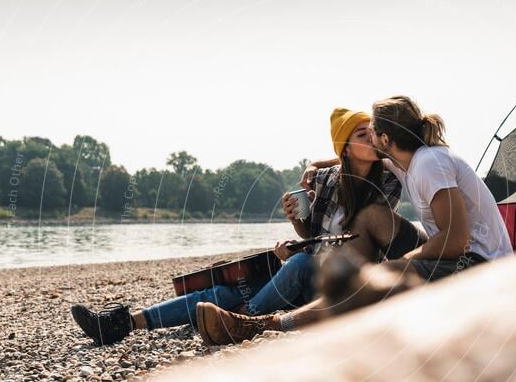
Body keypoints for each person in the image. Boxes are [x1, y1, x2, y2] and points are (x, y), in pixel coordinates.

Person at [196, 95, 513, 346]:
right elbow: (350, 152)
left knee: (378, 275)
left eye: (372, 129)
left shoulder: (430, 163)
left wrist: (402, 262)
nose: (368, 134)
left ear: (385, 138)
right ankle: (340, 296)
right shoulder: (408, 160)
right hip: (458, 253)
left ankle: (268, 324)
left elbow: (456, 241)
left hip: (479, 263)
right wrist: (314, 165)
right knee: (372, 217)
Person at [70, 107, 401, 346]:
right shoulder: (326, 180)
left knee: (298, 264)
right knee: (229, 288)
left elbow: (365, 234)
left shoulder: (388, 181)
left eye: (372, 130)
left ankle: (241, 317)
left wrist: (318, 165)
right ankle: (124, 323)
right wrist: (296, 223)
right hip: (305, 273)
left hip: (339, 284)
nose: (372, 135)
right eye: (362, 132)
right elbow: (310, 237)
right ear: (344, 146)